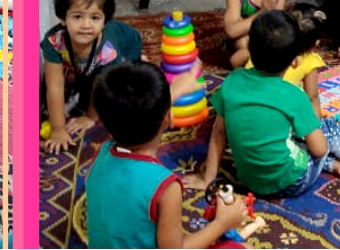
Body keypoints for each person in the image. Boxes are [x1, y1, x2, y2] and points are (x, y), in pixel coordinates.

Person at [204, 11, 340, 199]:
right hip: (293, 182)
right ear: (296, 61)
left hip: (251, 182)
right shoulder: (295, 96)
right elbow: (319, 150)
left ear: (249, 47)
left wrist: (208, 180)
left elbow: (218, 134)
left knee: (282, 133)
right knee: (327, 127)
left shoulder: (231, 82)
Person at [87, 61, 251, 249]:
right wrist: (223, 223)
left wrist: (176, 91)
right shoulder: (165, 186)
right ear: (169, 118)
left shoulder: (101, 153)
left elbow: (132, 113)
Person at [41, 0, 143, 154]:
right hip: (92, 59)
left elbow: (103, 86)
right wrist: (58, 129)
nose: (86, 25)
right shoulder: (54, 41)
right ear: (63, 18)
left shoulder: (108, 50)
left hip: (128, 46)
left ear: (104, 21)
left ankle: (135, 61)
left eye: (95, 18)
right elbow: (54, 86)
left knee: (121, 86)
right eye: (77, 16)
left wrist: (90, 117)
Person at [243, 3, 328, 114]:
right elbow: (312, 96)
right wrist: (316, 120)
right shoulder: (310, 61)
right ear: (316, 43)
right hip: (281, 112)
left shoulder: (262, 50)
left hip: (248, 108)